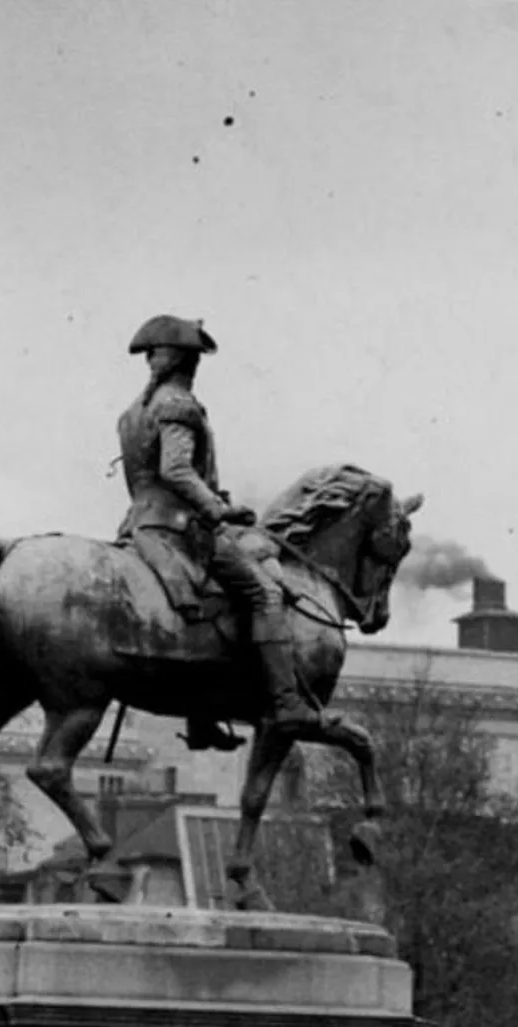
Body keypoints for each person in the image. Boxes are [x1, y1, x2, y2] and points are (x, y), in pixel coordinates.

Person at [116, 315, 319, 748]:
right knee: (264, 594)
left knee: (211, 611)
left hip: (140, 526)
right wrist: (219, 509)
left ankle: (201, 716)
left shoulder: (134, 412)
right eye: (195, 360)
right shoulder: (177, 405)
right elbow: (175, 469)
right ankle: (287, 703)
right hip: (180, 529)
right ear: (185, 362)